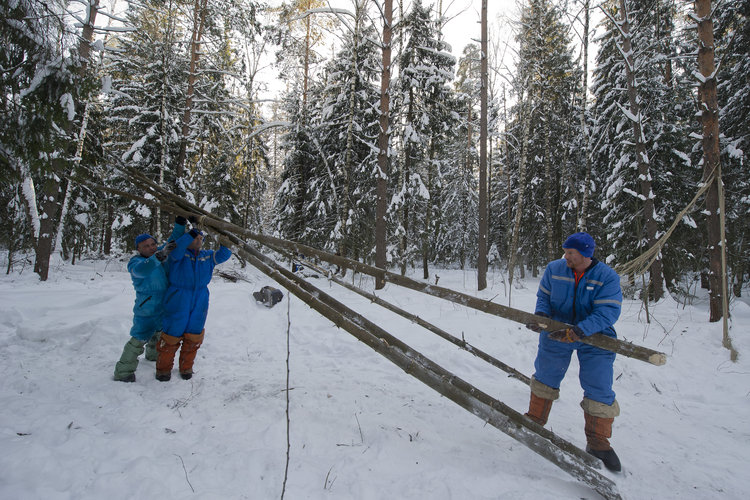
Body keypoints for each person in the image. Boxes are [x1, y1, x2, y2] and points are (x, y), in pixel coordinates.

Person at [524, 232, 624, 472]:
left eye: (571, 253)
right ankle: (534, 421)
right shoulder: (555, 269)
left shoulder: (606, 277)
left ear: (585, 255)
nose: (566, 256)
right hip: (557, 330)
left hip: (596, 336)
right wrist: (542, 317)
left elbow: (608, 312)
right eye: (565, 251)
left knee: (598, 384)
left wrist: (580, 331)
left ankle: (598, 443)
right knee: (546, 374)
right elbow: (544, 297)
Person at [113, 217, 187, 382]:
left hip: (163, 305)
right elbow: (143, 270)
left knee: (160, 334)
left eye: (153, 244)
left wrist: (180, 224)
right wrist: (159, 255)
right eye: (145, 246)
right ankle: (123, 371)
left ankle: (153, 355)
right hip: (146, 308)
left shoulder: (160, 253)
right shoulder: (136, 262)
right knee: (139, 338)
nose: (151, 248)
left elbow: (172, 241)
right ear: (138, 248)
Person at [155, 227, 232, 381]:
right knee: (172, 334)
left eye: (201, 239)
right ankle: (163, 369)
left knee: (194, 335)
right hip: (178, 297)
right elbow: (176, 250)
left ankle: (186, 367)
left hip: (200, 298)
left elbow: (224, 254)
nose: (198, 241)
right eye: (195, 238)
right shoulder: (178, 254)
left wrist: (223, 240)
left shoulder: (207, 256)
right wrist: (189, 234)